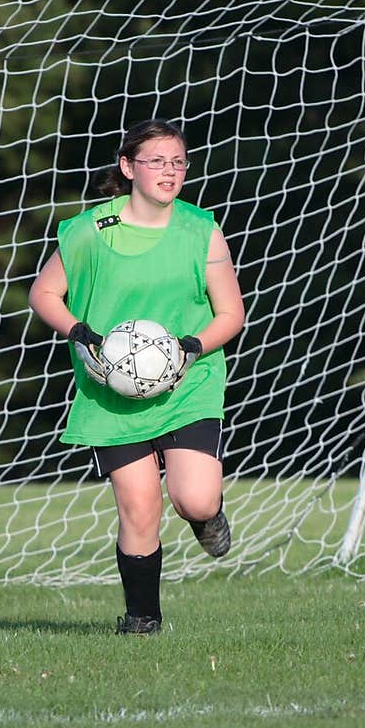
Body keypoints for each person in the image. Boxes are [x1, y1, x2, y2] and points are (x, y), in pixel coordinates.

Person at [28, 119, 245, 635]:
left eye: (178, 162)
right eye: (156, 161)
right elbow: (43, 295)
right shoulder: (88, 232)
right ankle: (142, 621)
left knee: (193, 498)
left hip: (188, 383)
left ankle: (207, 516)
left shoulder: (201, 230)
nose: (169, 172)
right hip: (112, 392)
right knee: (139, 504)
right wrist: (80, 333)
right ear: (128, 167)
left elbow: (230, 313)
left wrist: (189, 349)